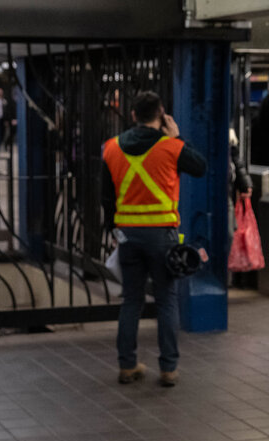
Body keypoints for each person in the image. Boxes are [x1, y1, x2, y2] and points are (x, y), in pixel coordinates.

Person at [102, 91, 206, 387]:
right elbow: (201, 167)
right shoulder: (171, 147)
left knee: (131, 301)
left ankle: (127, 365)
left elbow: (106, 198)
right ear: (161, 116)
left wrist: (114, 231)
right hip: (162, 236)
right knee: (166, 301)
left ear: (132, 115)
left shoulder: (111, 148)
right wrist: (177, 137)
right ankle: (168, 369)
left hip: (128, 236)